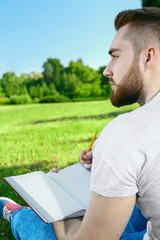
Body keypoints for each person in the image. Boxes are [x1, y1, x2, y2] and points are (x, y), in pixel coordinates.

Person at [1, 6, 160, 239]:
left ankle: (16, 215)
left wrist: (56, 204)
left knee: (44, 231)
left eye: (115, 56)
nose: (107, 70)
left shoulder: (125, 132)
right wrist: (112, 161)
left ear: (148, 56)